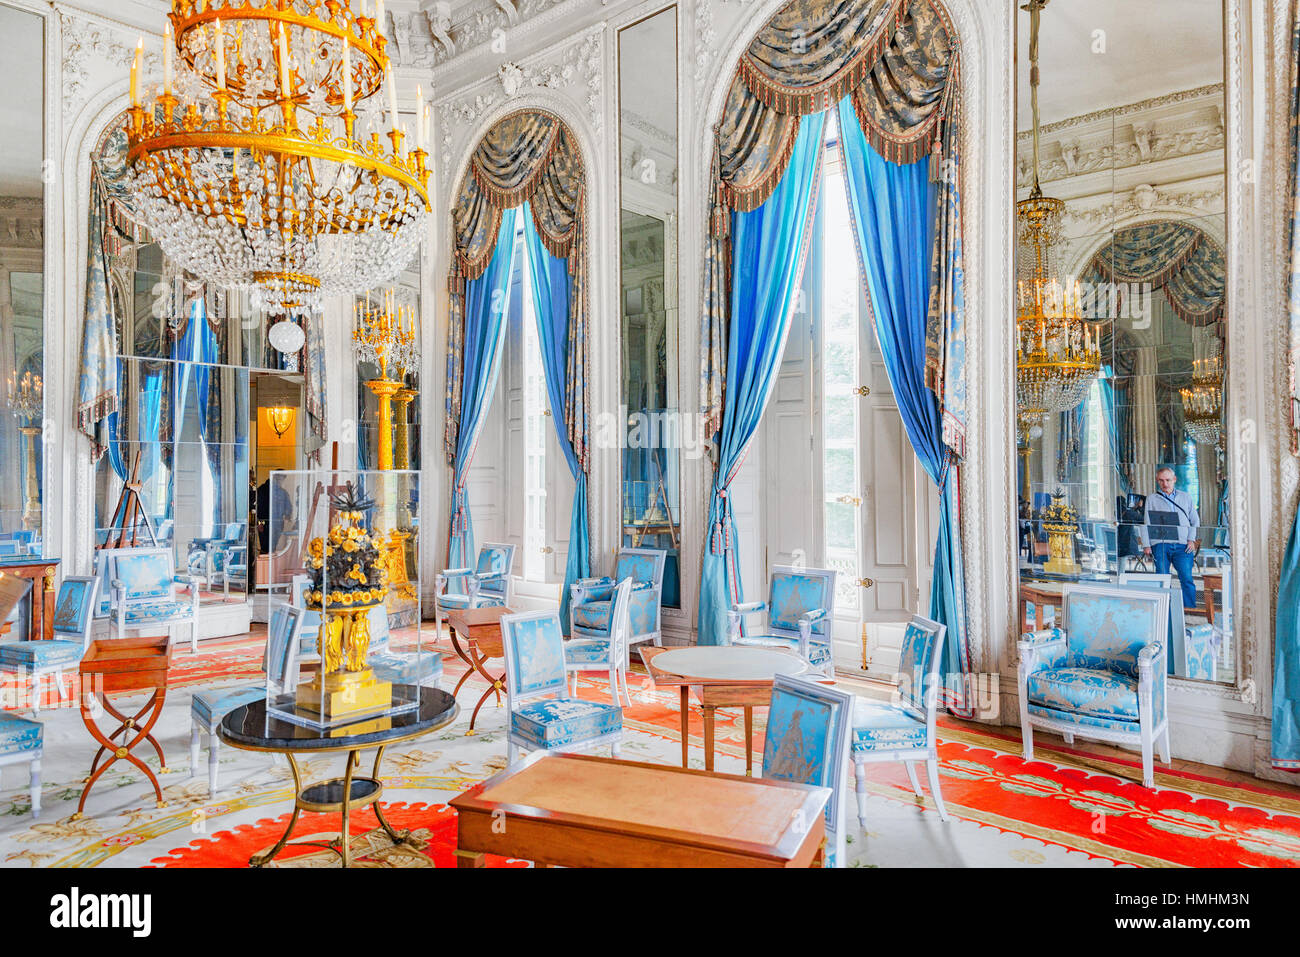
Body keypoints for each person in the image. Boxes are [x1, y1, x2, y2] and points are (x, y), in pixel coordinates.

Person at [1138, 466, 1201, 610]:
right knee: (1162, 578)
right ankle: (1164, 609)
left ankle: (1189, 608)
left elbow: (1195, 521)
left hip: (1183, 544)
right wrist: (1146, 545)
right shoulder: (1152, 498)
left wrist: (1191, 540)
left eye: (1167, 480)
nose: (1165, 484)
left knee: (1186, 578)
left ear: (1174, 480)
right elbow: (1146, 522)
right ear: (1157, 481)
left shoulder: (1186, 497)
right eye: (1161, 481)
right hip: (1161, 543)